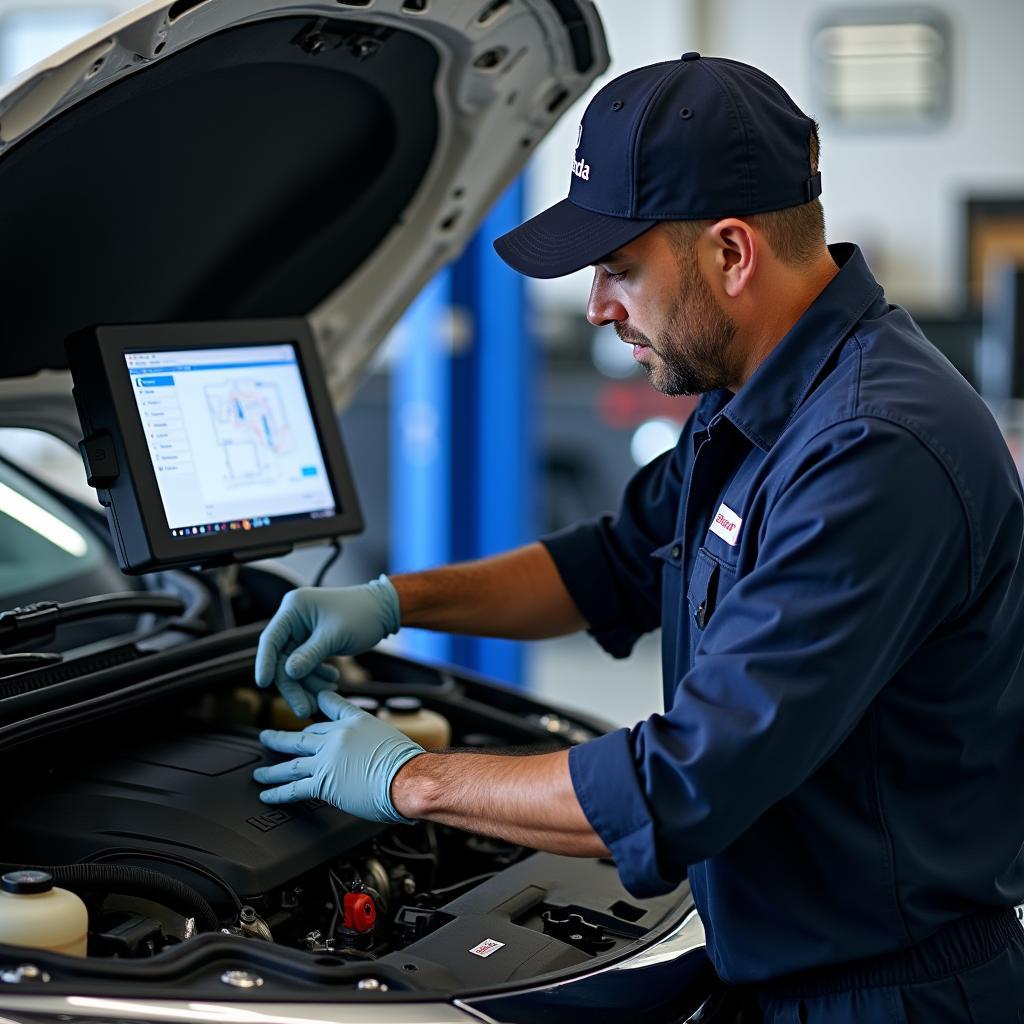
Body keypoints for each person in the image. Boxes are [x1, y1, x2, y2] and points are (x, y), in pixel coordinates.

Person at [251, 54, 1024, 1022]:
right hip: (774, 968)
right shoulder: (753, 389)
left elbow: (684, 782)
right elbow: (608, 563)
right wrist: (394, 603)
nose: (596, 307)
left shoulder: (873, 450)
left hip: (888, 998)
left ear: (731, 253)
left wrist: (410, 778)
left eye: (619, 269)